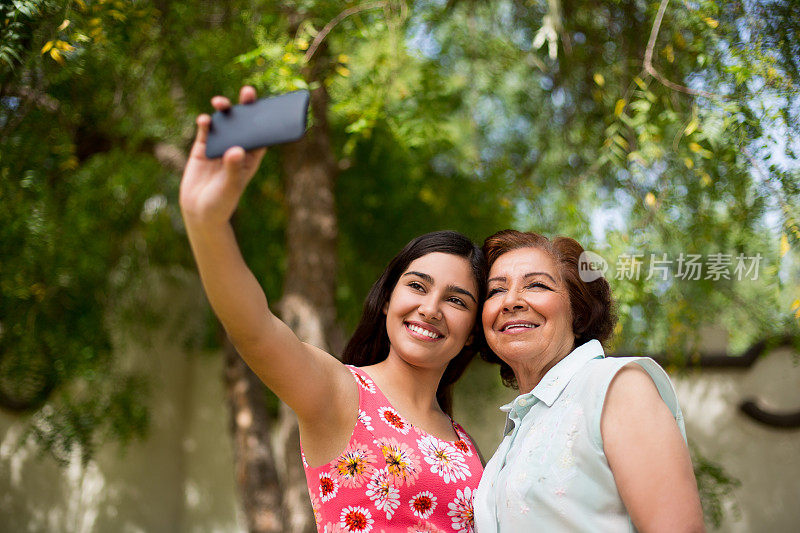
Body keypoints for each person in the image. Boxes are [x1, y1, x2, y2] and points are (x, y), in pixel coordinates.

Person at [180, 86, 485, 533]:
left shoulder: (465, 445)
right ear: (386, 302)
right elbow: (255, 328)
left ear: (473, 331)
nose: (431, 308)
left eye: (456, 300)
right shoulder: (340, 393)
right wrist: (205, 223)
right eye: (417, 286)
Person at [472, 230, 705, 532]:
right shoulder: (517, 431)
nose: (511, 301)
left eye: (537, 285)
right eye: (495, 291)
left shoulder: (617, 387)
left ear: (577, 310)